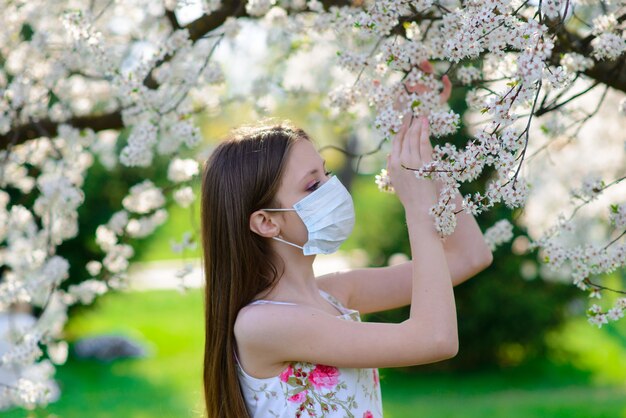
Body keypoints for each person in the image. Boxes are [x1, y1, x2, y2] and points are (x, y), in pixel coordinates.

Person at [200, 114, 493, 417]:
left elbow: (469, 256)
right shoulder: (262, 324)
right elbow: (435, 339)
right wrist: (419, 209)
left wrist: (425, 154)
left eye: (326, 173)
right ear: (266, 222)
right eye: (313, 185)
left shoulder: (334, 293)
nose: (332, 188)